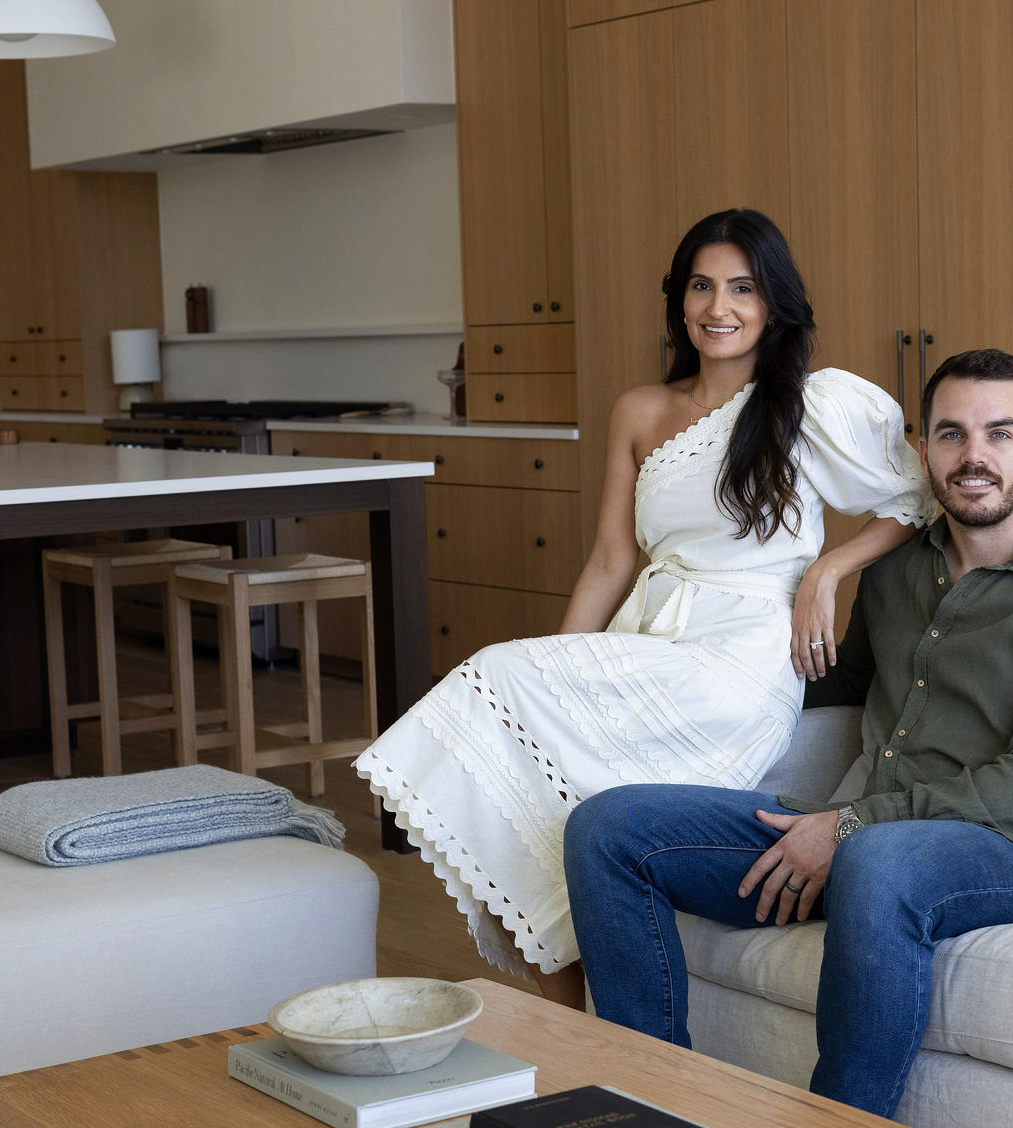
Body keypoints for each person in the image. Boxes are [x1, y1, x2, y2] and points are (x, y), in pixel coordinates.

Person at [355, 208, 938, 1005]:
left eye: (742, 287)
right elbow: (609, 559)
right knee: (510, 722)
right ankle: (565, 1004)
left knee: (522, 715)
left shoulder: (808, 404)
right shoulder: (638, 410)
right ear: (680, 298)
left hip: (740, 659)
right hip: (651, 631)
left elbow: (910, 499)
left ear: (773, 304)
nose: (718, 306)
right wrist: (552, 669)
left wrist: (826, 571)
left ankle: (570, 1016)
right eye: (701, 286)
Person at [563, 348, 1013, 1120]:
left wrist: (846, 825)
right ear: (923, 451)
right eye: (951, 434)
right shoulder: (897, 573)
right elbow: (836, 685)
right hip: (868, 833)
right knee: (608, 827)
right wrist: (701, 665)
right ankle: (650, 1105)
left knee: (876, 859)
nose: (974, 456)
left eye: (998, 434)